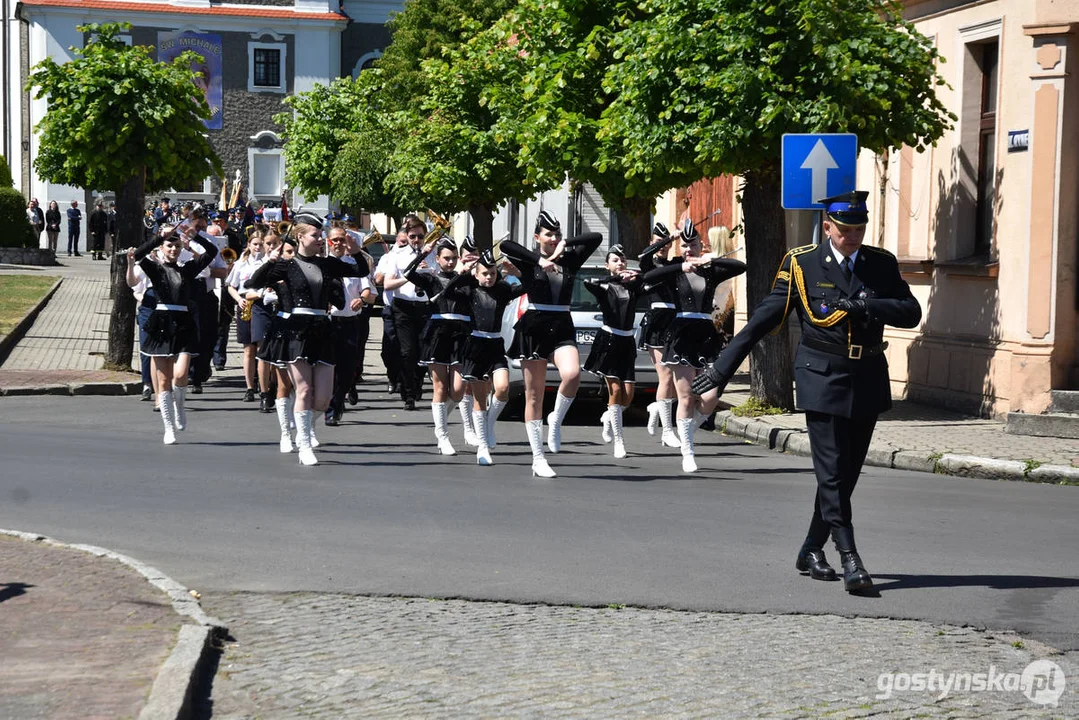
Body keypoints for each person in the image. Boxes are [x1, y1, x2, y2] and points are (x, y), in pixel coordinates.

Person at [692, 191, 922, 593]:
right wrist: (721, 370)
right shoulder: (802, 263)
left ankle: (811, 547)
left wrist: (869, 306)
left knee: (845, 475)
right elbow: (762, 319)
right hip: (821, 375)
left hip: (866, 373)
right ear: (828, 226)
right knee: (831, 471)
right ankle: (850, 556)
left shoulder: (880, 264)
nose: (853, 236)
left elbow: (911, 311)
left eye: (859, 228)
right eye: (845, 229)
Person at [246, 213, 370, 466]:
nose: (321, 240)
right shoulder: (287, 265)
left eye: (321, 236)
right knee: (303, 389)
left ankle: (302, 424)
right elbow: (253, 282)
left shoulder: (327, 264)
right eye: (315, 236)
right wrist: (270, 262)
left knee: (323, 399)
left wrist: (356, 251)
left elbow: (360, 269)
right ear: (300, 237)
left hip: (323, 329)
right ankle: (302, 443)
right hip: (295, 330)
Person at [499, 212, 602, 477]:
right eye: (548, 234)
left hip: (562, 323)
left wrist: (565, 243)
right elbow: (506, 246)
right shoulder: (528, 259)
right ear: (537, 237)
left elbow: (596, 237)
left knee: (572, 374)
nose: (553, 238)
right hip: (535, 323)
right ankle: (538, 457)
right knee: (534, 394)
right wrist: (540, 260)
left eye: (556, 234)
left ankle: (555, 419)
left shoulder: (570, 258)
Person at [643, 220, 745, 473]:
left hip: (706, 334)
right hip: (681, 333)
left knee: (711, 396)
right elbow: (647, 271)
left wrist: (710, 261)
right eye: (685, 244)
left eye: (693, 244)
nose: (688, 248)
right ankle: (687, 451)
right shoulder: (673, 269)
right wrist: (681, 263)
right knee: (686, 396)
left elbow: (740, 266)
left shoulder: (709, 270)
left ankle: (689, 429)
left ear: (701, 246)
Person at [128, 218, 219, 444]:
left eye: (177, 246)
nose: (173, 249)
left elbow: (213, 251)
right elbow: (138, 254)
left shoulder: (188, 269)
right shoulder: (155, 268)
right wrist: (160, 236)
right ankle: (169, 427)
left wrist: (193, 235)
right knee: (164, 379)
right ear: (162, 248)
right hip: (161, 322)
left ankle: (180, 406)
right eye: (169, 245)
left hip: (183, 321)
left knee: (180, 375)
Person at [440, 249, 530, 465]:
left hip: (496, 343)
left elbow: (529, 286)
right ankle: (482, 447)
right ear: (477, 274)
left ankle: (488, 425)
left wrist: (517, 272)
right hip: (475, 345)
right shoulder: (470, 290)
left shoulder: (503, 290)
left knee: (502, 388)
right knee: (479, 398)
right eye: (484, 274)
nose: (489, 277)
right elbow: (448, 291)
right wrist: (463, 273)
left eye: (492, 273)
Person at [405, 236, 472, 455]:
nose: (450, 263)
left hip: (460, 334)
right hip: (437, 334)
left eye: (454, 258)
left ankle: (441, 418)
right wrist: (423, 253)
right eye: (446, 258)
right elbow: (408, 273)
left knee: (458, 389)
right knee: (440, 388)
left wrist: (473, 268)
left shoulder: (465, 279)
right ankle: (442, 435)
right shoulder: (431, 279)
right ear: (438, 258)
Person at [582, 245, 651, 459]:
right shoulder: (605, 286)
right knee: (614, 390)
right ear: (607, 266)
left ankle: (609, 417)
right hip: (609, 339)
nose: (619, 263)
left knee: (628, 394)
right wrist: (613, 280)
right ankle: (619, 441)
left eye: (622, 260)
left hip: (626, 340)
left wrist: (636, 278)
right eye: (614, 260)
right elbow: (588, 284)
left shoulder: (633, 287)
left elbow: (650, 282)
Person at [380, 216, 435, 411]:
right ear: (407, 236)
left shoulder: (433, 254)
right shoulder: (398, 255)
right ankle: (408, 393)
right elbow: (387, 284)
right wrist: (409, 276)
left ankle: (417, 382)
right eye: (413, 236)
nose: (417, 240)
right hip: (403, 306)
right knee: (407, 351)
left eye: (420, 236)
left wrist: (429, 273)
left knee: (422, 350)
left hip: (425, 307)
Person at [325, 227, 376, 426]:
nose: (338, 243)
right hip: (329, 323)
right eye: (334, 240)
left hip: (350, 322)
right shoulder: (323, 264)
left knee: (347, 368)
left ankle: (337, 402)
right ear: (328, 241)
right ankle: (331, 406)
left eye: (341, 240)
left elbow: (369, 292)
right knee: (330, 368)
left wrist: (361, 301)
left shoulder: (354, 265)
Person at [638, 222, 680, 449]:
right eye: (659, 241)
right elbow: (645, 255)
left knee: (675, 378)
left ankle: (658, 407)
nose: (663, 247)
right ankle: (667, 431)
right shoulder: (647, 263)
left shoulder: (675, 264)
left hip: (675, 321)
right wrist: (666, 239)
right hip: (657, 322)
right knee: (665, 376)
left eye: (667, 243)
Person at [226, 227, 266, 404]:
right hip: (245, 304)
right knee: (248, 348)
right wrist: (238, 299)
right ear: (249, 245)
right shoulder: (241, 264)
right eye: (255, 244)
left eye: (261, 244)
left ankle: (265, 383)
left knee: (262, 346)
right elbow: (231, 286)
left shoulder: (267, 262)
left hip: (262, 304)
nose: (258, 247)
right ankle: (250, 386)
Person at [374, 228, 410, 398]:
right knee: (388, 350)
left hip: (409, 307)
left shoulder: (415, 257)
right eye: (403, 242)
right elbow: (378, 280)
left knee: (407, 349)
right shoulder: (388, 257)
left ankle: (406, 381)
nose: (405, 245)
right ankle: (392, 377)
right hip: (390, 308)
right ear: (397, 241)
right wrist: (390, 267)